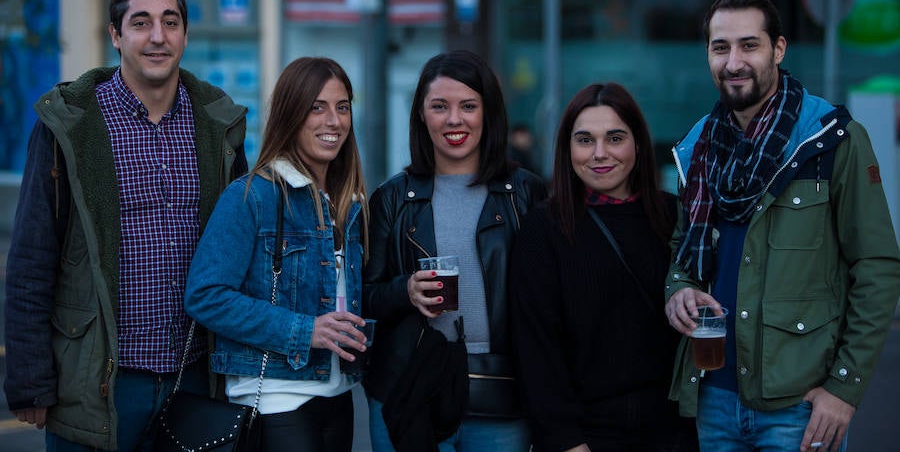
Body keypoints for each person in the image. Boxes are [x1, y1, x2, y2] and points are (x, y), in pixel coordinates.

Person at [3, 0, 249, 451]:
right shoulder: (71, 126)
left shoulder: (219, 127)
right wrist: (30, 380)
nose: (158, 36)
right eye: (141, 23)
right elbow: (32, 260)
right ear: (116, 35)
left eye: (170, 22)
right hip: (100, 380)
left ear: (184, 34)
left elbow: (240, 250)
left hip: (193, 376)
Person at [664, 0, 900, 452]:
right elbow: (682, 256)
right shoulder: (697, 148)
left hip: (802, 407)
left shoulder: (831, 139)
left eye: (749, 45)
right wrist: (677, 291)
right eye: (720, 47)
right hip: (712, 399)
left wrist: (843, 390)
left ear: (779, 48)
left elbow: (877, 266)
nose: (734, 62)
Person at [364, 49, 547, 451]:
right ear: (421, 116)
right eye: (439, 107)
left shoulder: (526, 192)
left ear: (488, 113)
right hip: (410, 385)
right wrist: (405, 290)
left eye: (468, 106)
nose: (454, 120)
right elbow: (365, 295)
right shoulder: (392, 198)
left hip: (501, 389)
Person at [184, 56, 369, 452]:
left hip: (339, 394)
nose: (333, 121)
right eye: (316, 107)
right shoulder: (252, 196)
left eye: (342, 107)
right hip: (275, 400)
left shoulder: (348, 203)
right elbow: (206, 296)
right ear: (291, 115)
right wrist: (306, 330)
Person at [509, 83, 698, 452]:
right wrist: (566, 441)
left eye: (615, 138)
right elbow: (535, 349)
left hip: (674, 435)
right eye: (585, 140)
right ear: (567, 148)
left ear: (638, 144)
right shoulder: (544, 229)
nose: (600, 154)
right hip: (584, 438)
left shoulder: (675, 216)